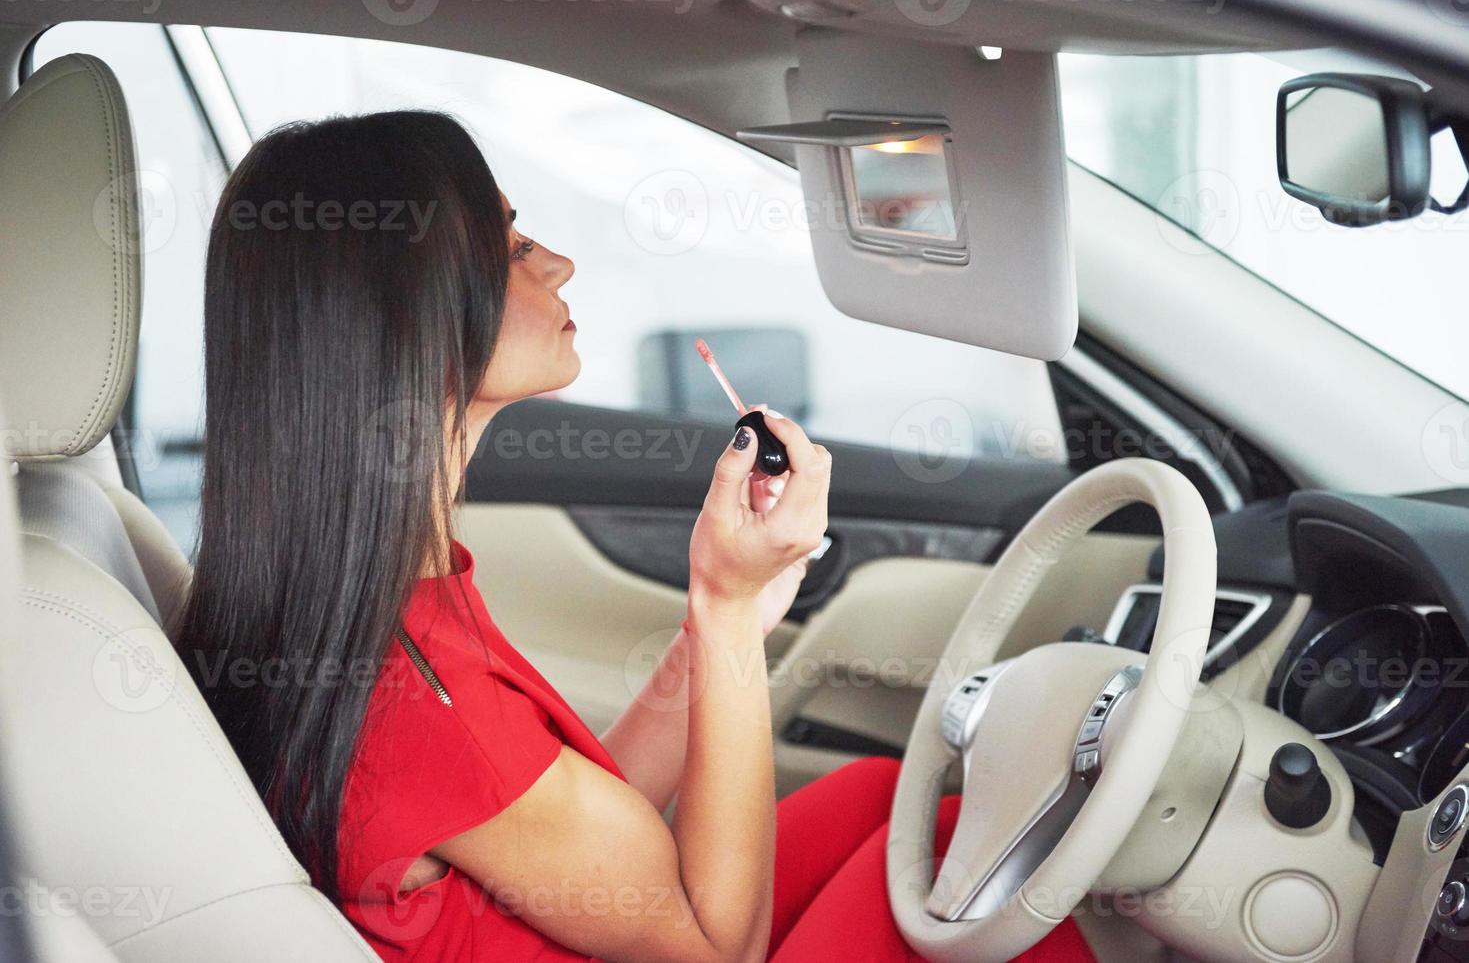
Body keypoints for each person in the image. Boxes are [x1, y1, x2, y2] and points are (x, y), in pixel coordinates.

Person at [173, 110, 1093, 963]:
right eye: (515, 247)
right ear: (406, 312)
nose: (559, 264)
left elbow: (575, 814)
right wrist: (729, 618)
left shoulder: (381, 604)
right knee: (995, 890)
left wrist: (716, 608)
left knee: (886, 808)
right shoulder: (410, 704)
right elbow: (714, 947)